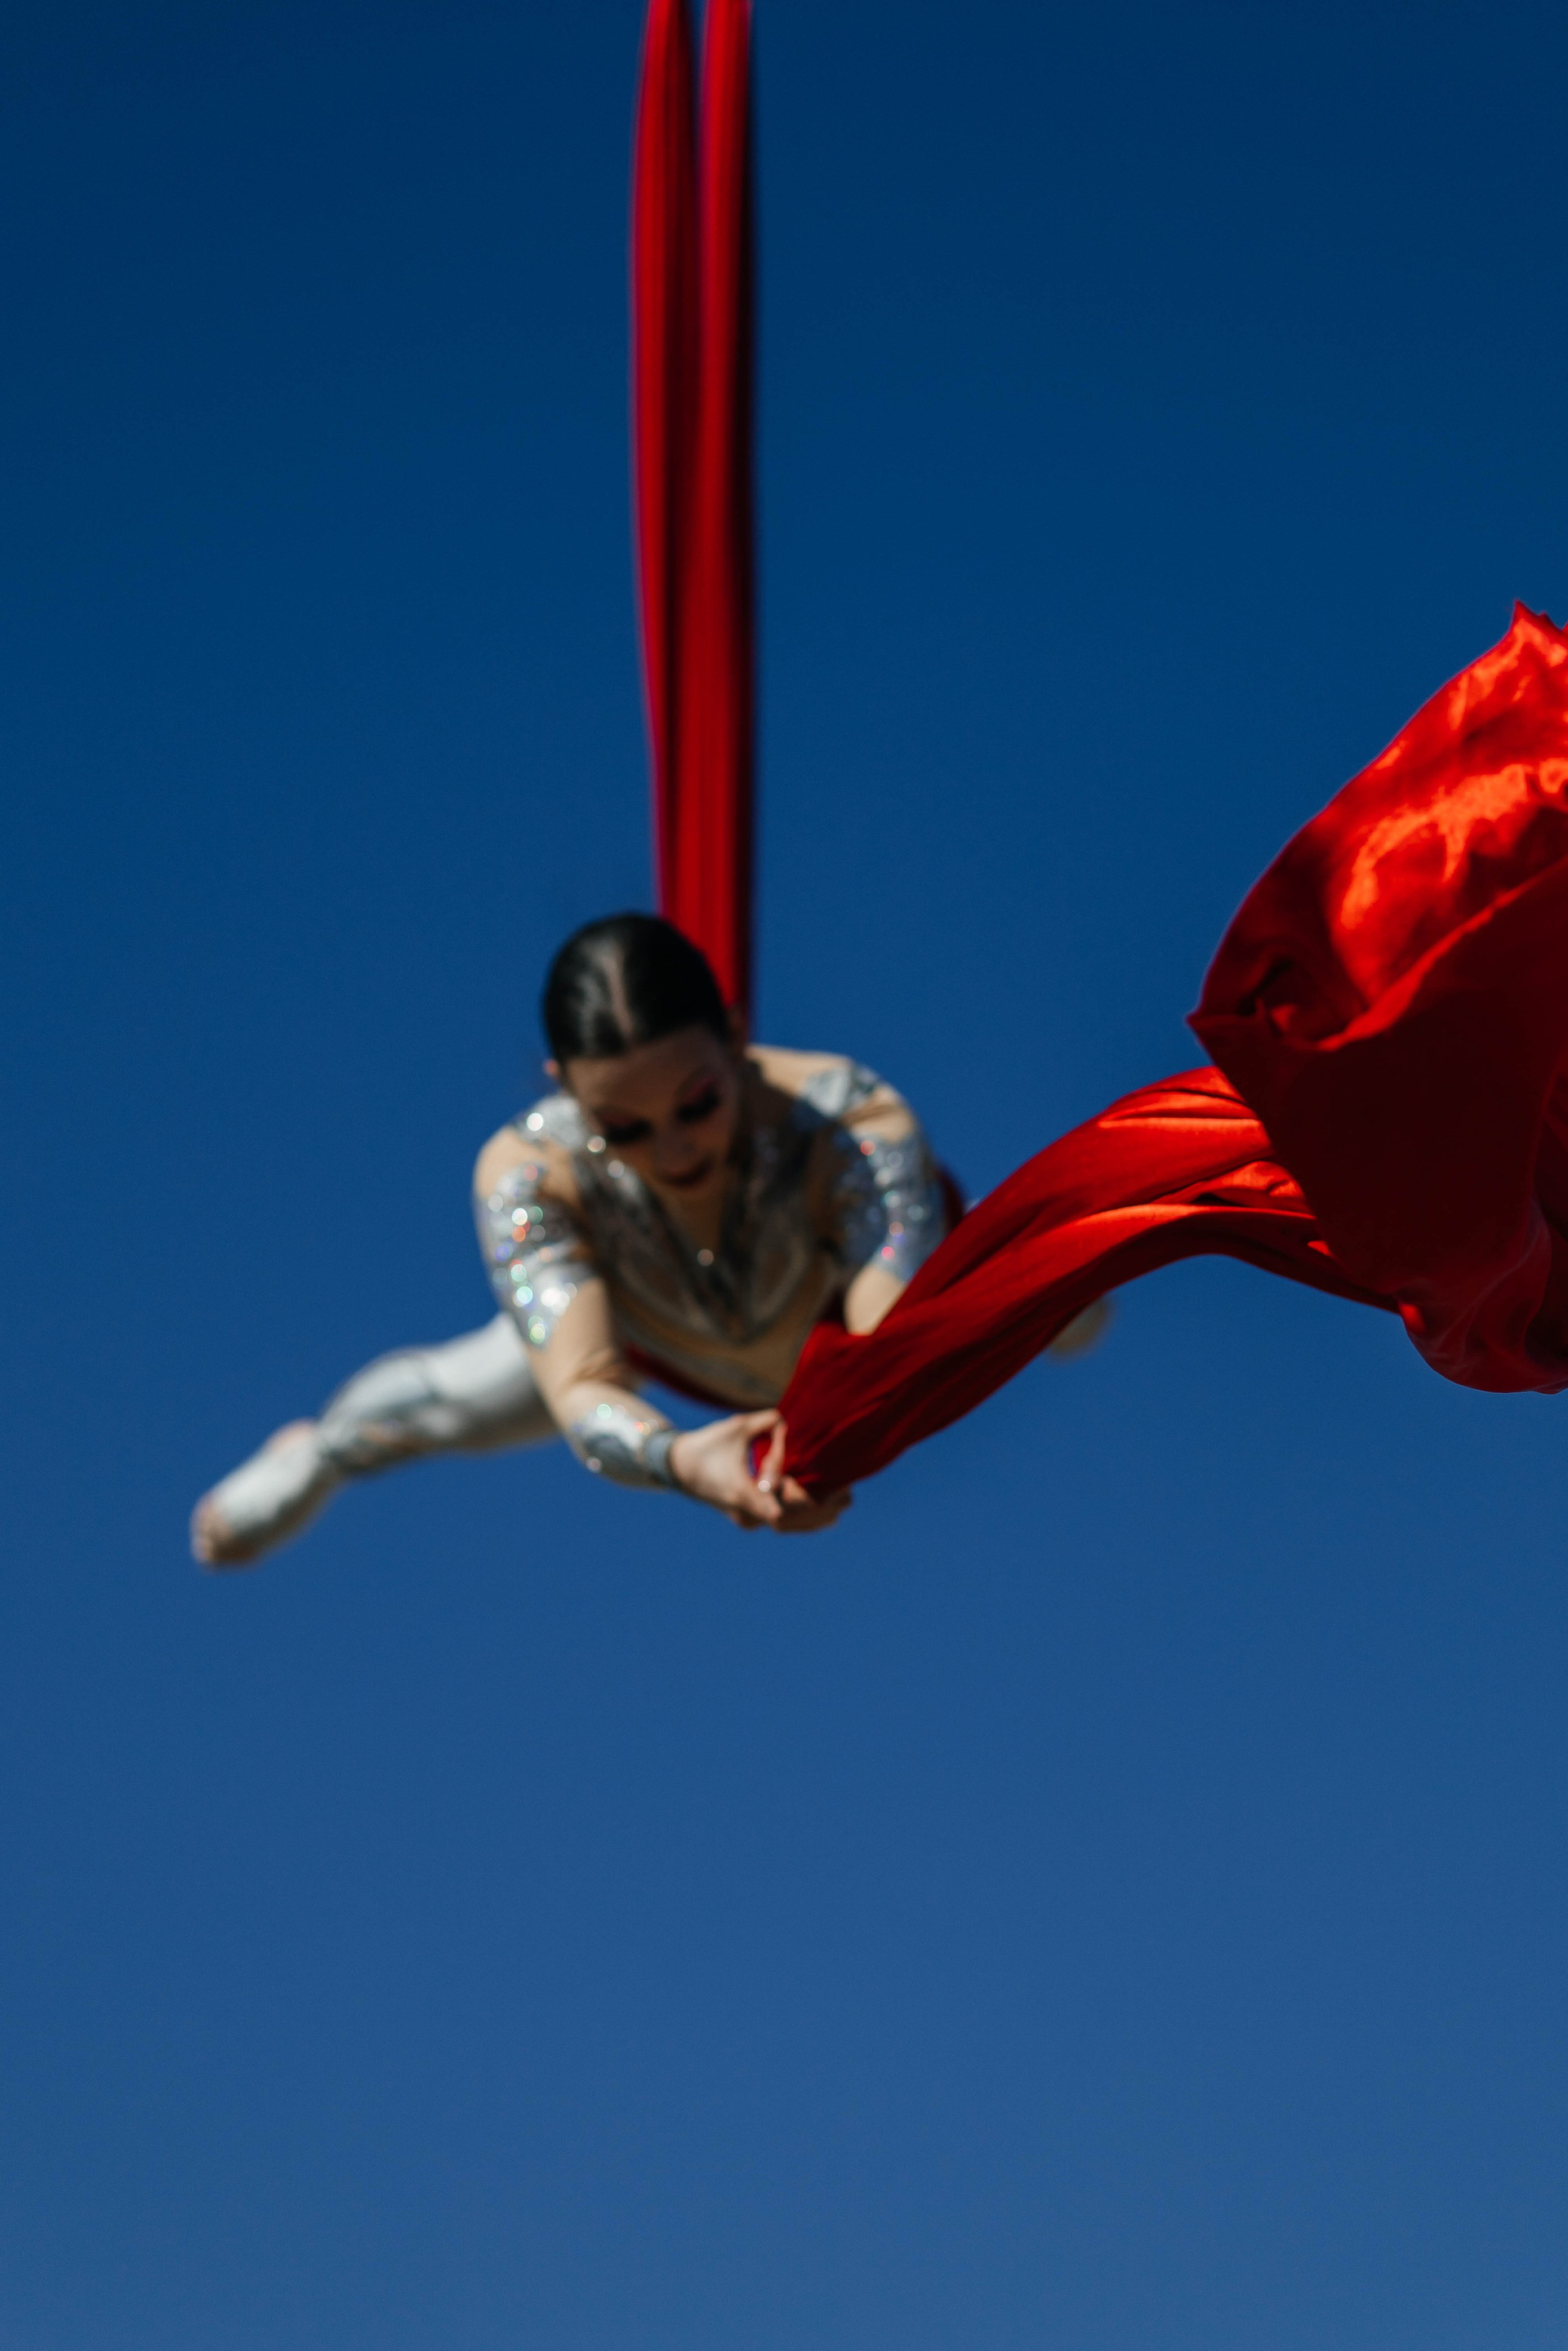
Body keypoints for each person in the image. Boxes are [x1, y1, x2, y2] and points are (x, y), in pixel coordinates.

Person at [190, 912, 954, 1562]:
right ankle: (318, 1454)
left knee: (1021, 1305)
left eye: (698, 1104)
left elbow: (887, 1340)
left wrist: (829, 1444)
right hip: (643, 1328)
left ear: (733, 1036)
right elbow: (583, 1389)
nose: (674, 1152)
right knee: (447, 1405)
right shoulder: (530, 1174)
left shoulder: (848, 1122)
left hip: (846, 1323)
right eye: (623, 1127)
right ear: (565, 1088)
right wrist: (679, 1459)